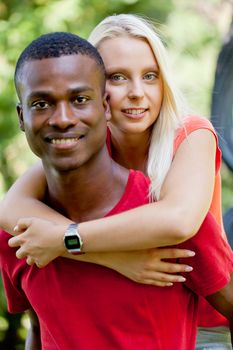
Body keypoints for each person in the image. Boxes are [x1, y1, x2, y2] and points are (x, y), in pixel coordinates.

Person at [0, 14, 231, 349]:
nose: (136, 93)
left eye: (150, 76)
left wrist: (65, 240)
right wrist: (115, 257)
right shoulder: (79, 145)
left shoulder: (189, 135)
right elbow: (12, 209)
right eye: (118, 77)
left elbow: (178, 220)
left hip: (205, 319)